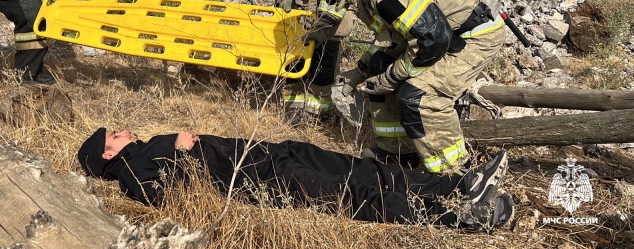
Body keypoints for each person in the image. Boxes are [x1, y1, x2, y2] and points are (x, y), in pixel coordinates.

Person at [297, 0, 506, 174]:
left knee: (420, 96)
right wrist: (361, 71)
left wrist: (392, 77)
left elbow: (432, 41)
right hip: (447, 31)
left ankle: (456, 174)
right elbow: (396, 37)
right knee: (378, 70)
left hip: (475, 34)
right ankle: (397, 150)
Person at [77, 127, 514, 231]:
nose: (123, 131)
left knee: (360, 168)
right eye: (114, 134)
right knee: (355, 194)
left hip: (268, 152)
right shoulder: (133, 174)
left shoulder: (143, 148)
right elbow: (167, 199)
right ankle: (461, 217)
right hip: (260, 180)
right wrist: (183, 153)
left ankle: (459, 186)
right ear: (107, 153)